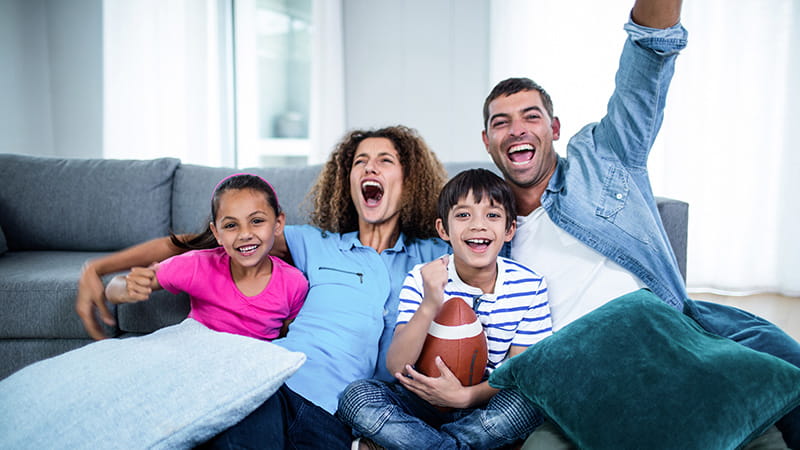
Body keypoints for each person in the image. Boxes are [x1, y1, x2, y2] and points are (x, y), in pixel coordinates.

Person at [479, 0, 800, 446]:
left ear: (553, 127)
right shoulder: (486, 232)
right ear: (487, 141)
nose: (516, 129)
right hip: (577, 381)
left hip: (665, 346)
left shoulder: (605, 158)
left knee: (761, 422)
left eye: (530, 117)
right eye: (501, 122)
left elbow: (647, 61)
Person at [76, 126, 452, 448]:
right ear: (348, 181)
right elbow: (200, 243)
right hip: (281, 387)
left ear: (409, 180)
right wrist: (100, 268)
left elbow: (491, 235)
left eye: (385, 160)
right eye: (359, 161)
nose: (370, 166)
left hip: (349, 421)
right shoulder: (316, 243)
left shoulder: (434, 253)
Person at [338, 168, 553, 449]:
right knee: (355, 397)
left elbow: (519, 374)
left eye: (493, 215)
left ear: (509, 229)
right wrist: (430, 303)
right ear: (443, 229)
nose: (478, 225)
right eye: (463, 215)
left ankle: (416, 445)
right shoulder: (422, 276)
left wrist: (464, 397)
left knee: (530, 403)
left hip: (483, 405)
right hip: (420, 403)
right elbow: (396, 366)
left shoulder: (530, 286)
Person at [104, 174, 307, 341]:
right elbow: (115, 287)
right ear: (217, 233)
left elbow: (289, 340)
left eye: (256, 221)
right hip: (199, 359)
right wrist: (124, 289)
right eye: (230, 225)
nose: (244, 234)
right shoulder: (196, 265)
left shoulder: (294, 283)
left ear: (278, 223)